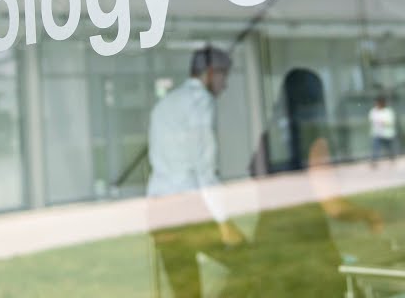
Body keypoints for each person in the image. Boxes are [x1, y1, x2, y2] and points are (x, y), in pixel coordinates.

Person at [238, 68, 384, 296]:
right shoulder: (314, 137)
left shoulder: (268, 137)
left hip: (267, 248)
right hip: (304, 252)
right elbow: (333, 206)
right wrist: (369, 215)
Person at [146, 44, 245, 298]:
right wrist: (224, 221)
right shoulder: (201, 102)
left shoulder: (165, 104)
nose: (225, 85)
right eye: (224, 76)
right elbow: (204, 169)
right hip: (186, 207)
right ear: (210, 73)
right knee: (248, 262)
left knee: (186, 291)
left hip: (158, 208)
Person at [368, 94, 397, 169]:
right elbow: (372, 120)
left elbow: (390, 122)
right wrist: (380, 122)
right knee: (376, 148)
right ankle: (374, 161)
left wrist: (382, 122)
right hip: (377, 133)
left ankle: (392, 158)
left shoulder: (388, 111)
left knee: (389, 148)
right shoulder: (373, 111)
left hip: (387, 134)